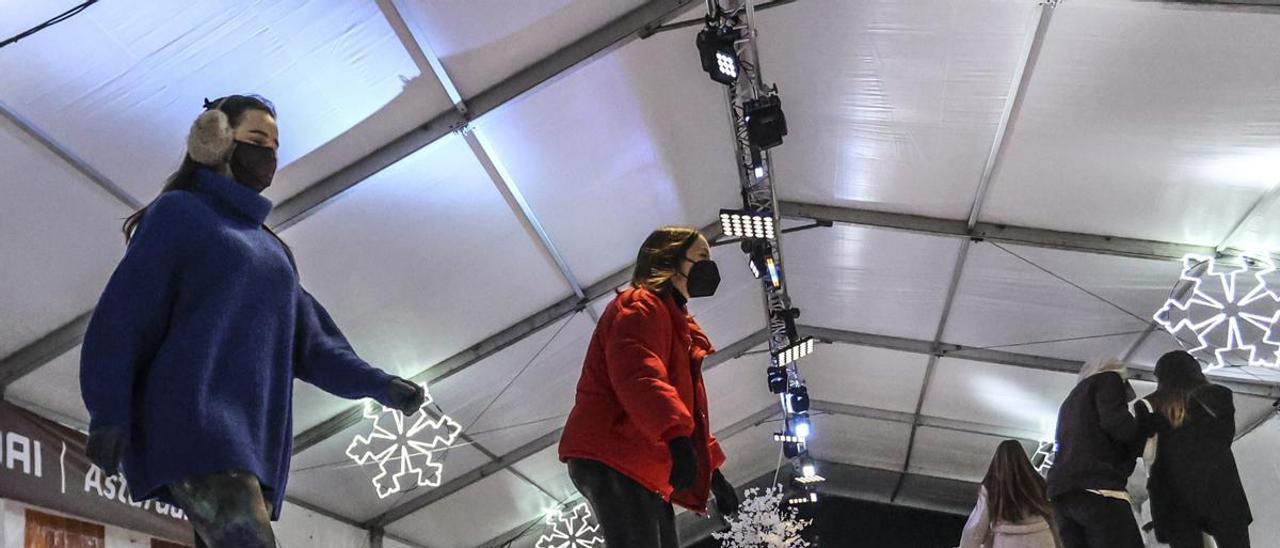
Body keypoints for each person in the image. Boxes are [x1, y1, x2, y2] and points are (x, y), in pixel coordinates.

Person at [79, 95, 425, 548]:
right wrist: (109, 410)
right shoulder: (180, 214)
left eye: (275, 146)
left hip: (251, 444)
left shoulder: (274, 252)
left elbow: (315, 344)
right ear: (216, 140)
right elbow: (124, 315)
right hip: (195, 424)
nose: (268, 155)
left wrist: (379, 384)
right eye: (256, 139)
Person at [559, 226, 739, 548]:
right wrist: (676, 438)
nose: (708, 267)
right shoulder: (640, 307)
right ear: (670, 261)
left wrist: (713, 473)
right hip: (616, 451)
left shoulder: (675, 322)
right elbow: (639, 375)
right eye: (700, 258)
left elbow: (684, 407)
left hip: (641, 459)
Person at [1137, 350, 1252, 548]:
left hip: (1172, 494)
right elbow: (1224, 437)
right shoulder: (1219, 395)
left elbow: (1140, 447)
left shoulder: (1149, 405)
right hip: (1219, 488)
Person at [1046, 358, 1147, 548]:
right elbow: (1117, 424)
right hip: (1099, 489)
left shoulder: (1070, 401)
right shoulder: (1108, 379)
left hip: (1062, 495)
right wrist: (1143, 431)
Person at [959, 440, 1062, 548]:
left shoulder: (992, 488)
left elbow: (976, 529)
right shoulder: (1037, 482)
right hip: (1042, 539)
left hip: (1008, 542)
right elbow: (1052, 518)